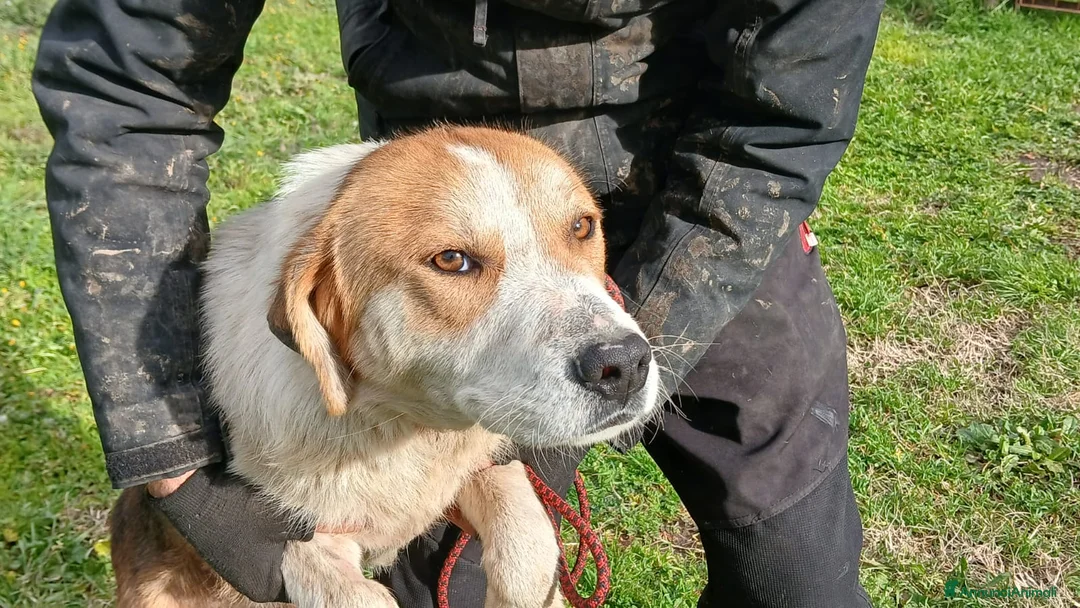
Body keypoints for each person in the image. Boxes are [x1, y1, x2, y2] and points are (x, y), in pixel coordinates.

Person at [32, 0, 883, 605]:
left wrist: (609, 351)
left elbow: (779, 132)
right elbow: (126, 84)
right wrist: (170, 452)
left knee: (797, 576)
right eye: (455, 263)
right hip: (422, 165)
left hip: (711, 199)